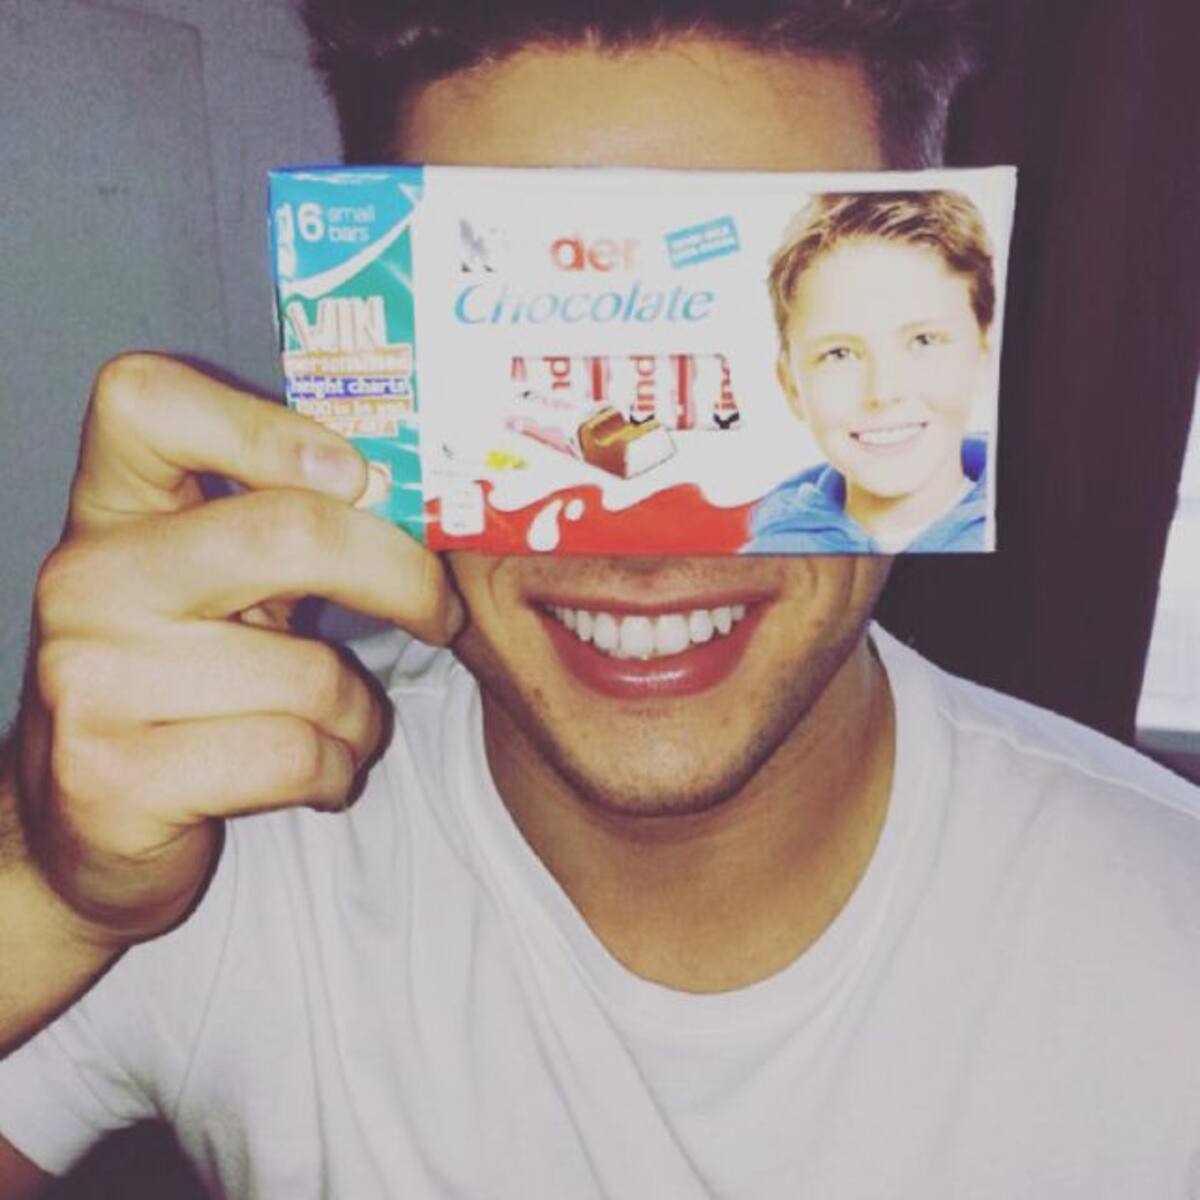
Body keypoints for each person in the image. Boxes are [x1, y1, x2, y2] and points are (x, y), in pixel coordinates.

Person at [1, 2, 1198, 1197]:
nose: (640, 548)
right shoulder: (221, 844)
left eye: (747, 379)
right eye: (517, 363)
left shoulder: (1166, 939)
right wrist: (43, 896)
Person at [745, 190, 995, 554]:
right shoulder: (759, 561)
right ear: (791, 386)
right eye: (839, 354)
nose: (883, 391)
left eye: (923, 340)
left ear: (985, 354)